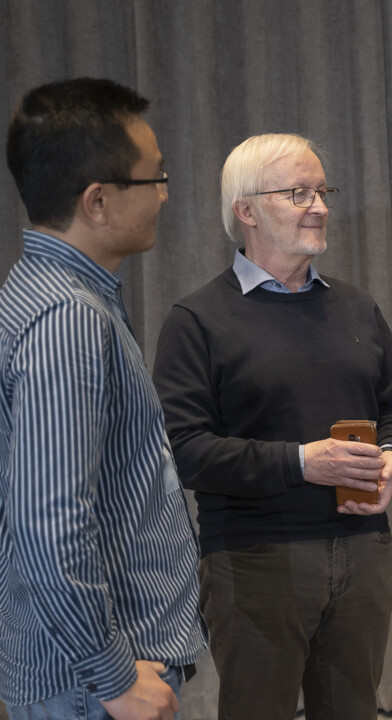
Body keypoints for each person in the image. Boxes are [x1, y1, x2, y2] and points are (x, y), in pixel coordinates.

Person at [151, 133, 392, 720]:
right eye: (297, 193)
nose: (319, 206)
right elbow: (186, 451)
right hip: (254, 557)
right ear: (245, 210)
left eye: (321, 190)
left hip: (363, 551)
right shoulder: (196, 320)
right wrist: (304, 462)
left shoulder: (357, 307)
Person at [0, 78, 205, 720]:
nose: (166, 194)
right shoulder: (67, 320)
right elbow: (50, 525)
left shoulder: (52, 293)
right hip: (92, 686)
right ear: (97, 201)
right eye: (155, 178)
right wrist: (114, 677)